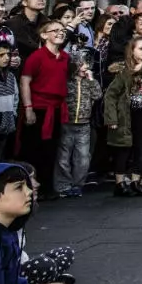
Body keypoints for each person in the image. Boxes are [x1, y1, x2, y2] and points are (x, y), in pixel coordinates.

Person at [102, 35, 142, 197]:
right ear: (132, 50)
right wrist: (111, 118)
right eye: (141, 48)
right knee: (123, 149)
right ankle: (120, 183)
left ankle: (135, 182)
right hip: (125, 115)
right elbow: (111, 95)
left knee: (140, 150)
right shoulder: (123, 70)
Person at [18, 18, 71, 192]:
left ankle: (48, 187)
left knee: (51, 149)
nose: (60, 33)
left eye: (62, 30)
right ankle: (31, 187)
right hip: (39, 107)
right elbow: (25, 81)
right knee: (34, 149)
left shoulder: (65, 57)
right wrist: (28, 108)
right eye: (55, 30)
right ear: (44, 35)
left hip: (56, 109)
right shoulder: (37, 56)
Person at [55, 45, 99, 197]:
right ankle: (63, 185)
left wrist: (91, 80)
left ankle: (78, 184)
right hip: (67, 123)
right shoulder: (68, 81)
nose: (85, 67)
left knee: (83, 158)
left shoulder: (88, 81)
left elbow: (97, 95)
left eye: (87, 63)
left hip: (84, 124)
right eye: (81, 64)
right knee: (63, 157)